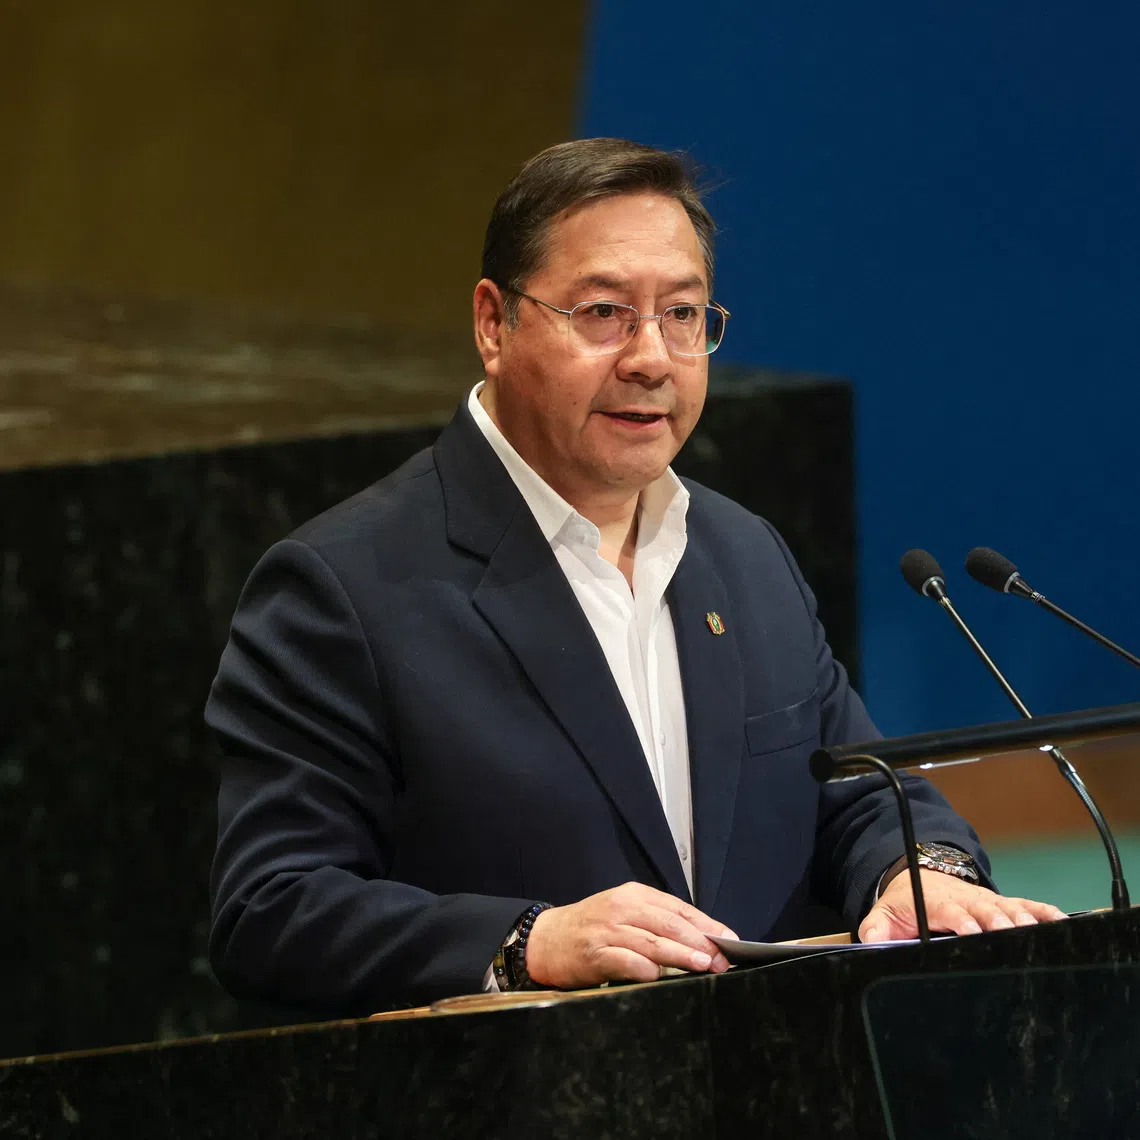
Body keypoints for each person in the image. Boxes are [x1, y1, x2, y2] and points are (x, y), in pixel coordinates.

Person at [205, 138, 1064, 1013]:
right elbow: (272, 909)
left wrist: (922, 872)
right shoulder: (344, 587)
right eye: (605, 312)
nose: (651, 357)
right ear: (494, 325)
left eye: (683, 315)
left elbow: (860, 793)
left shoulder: (743, 554)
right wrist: (529, 943)